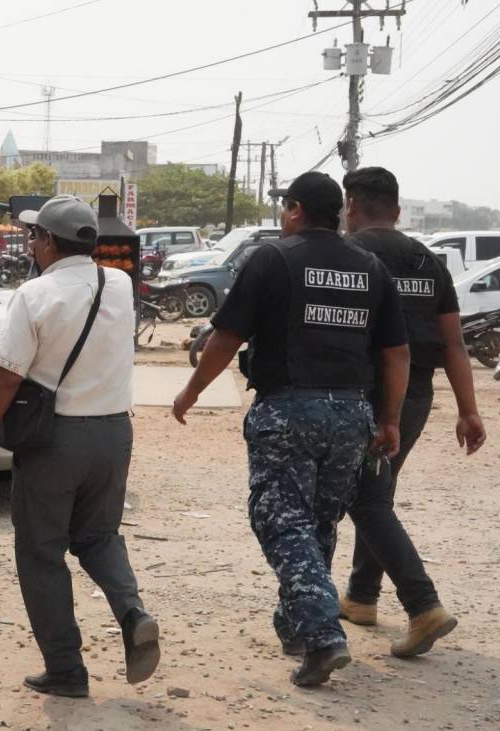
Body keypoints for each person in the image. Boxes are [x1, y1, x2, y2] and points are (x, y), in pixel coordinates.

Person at [173, 171, 410, 687]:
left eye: (286, 207)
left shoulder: (273, 259)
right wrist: (389, 418)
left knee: (281, 522)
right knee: (318, 524)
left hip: (289, 411)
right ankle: (296, 624)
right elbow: (397, 353)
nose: (283, 215)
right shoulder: (370, 267)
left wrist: (191, 390)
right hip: (351, 415)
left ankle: (323, 635)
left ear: (298, 209)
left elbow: (227, 335)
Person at [0, 195, 160, 699]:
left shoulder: (34, 294)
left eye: (34, 236)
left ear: (48, 241)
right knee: (98, 537)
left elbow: (6, 377)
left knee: (40, 552)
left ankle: (66, 669)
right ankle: (132, 611)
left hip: (55, 442)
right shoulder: (117, 283)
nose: (31, 244)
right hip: (114, 433)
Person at [339, 167, 485, 656]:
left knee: (367, 499)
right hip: (417, 395)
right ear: (398, 211)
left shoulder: (354, 255)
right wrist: (469, 410)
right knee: (377, 489)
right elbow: (453, 342)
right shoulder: (429, 261)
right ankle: (361, 597)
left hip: (369, 393)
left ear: (350, 208)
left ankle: (424, 607)